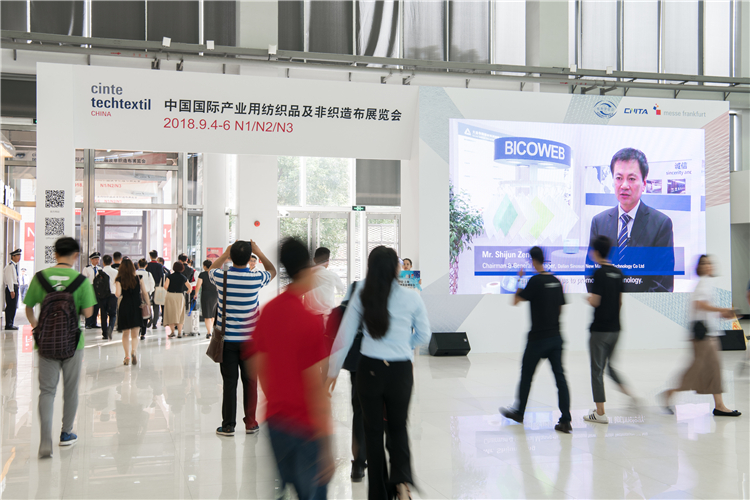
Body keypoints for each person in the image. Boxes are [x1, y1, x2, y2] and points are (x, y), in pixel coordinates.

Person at [327, 246, 431, 500]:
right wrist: (404, 345)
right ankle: (401, 482)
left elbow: (345, 336)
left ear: (370, 268)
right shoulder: (412, 297)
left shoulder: (361, 294)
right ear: (397, 269)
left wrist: (331, 371)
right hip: (400, 370)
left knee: (372, 432)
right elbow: (424, 335)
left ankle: (378, 494)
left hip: (370, 369)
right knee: (398, 427)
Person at [250, 238, 334, 500]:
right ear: (307, 269)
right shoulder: (309, 322)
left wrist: (278, 397)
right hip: (305, 427)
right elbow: (315, 388)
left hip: (276, 423)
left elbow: (257, 366)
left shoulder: (268, 312)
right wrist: (327, 444)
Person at [24, 237, 97, 457]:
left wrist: (37, 326)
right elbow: (88, 313)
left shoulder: (40, 278)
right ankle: (66, 434)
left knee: (47, 391)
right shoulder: (81, 281)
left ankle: (45, 439)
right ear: (75, 255)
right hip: (73, 343)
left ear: (55, 254)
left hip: (46, 342)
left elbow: (28, 308)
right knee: (71, 390)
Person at [500, 246, 572, 434]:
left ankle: (519, 412)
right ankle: (566, 420)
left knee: (526, 376)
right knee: (560, 379)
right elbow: (560, 309)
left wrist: (519, 279)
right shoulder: (556, 281)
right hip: (556, 337)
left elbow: (515, 300)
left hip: (537, 339)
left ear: (533, 260)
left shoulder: (535, 281)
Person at [209, 240, 276, 436]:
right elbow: (272, 271)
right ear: (249, 258)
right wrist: (259, 252)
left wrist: (224, 255)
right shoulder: (256, 278)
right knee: (250, 382)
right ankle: (251, 423)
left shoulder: (221, 276)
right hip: (250, 341)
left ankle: (228, 425)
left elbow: (210, 269)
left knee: (229, 383)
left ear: (231, 257)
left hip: (227, 341)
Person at [661, 255, 741, 417]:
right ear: (699, 267)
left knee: (713, 370)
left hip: (708, 334)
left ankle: (719, 406)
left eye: (709, 263)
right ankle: (670, 393)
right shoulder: (702, 283)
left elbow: (705, 310)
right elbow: (699, 304)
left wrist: (723, 314)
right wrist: (721, 310)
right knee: (696, 371)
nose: (708, 265)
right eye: (704, 263)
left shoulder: (707, 283)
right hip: (702, 337)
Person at [588, 147, 675, 292]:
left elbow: (662, 283)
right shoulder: (598, 222)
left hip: (642, 305)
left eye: (632, 179)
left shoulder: (661, 224)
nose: (624, 186)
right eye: (619, 178)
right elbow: (591, 272)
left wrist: (633, 304)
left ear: (644, 183)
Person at [583, 236, 638, 424]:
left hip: (600, 330)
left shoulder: (598, 274)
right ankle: (630, 394)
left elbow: (595, 301)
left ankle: (600, 412)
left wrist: (588, 299)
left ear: (596, 252)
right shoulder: (618, 273)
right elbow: (620, 302)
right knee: (610, 366)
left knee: (597, 371)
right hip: (616, 329)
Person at [115, 259, 151, 366]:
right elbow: (145, 293)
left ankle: (126, 356)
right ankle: (134, 351)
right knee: (135, 334)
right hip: (137, 306)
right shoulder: (139, 278)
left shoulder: (119, 279)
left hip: (125, 306)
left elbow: (118, 294)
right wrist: (149, 305)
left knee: (125, 333)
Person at [303, 247, 347, 319]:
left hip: (309, 318)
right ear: (328, 261)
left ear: (314, 260)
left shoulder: (304, 277)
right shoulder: (333, 276)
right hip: (328, 317)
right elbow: (341, 290)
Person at [164, 262, 191, 338]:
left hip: (170, 295)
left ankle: (172, 332)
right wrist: (188, 291)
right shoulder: (183, 277)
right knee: (180, 314)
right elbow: (189, 287)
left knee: (170, 313)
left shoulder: (170, 276)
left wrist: (170, 289)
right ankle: (179, 333)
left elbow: (165, 286)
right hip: (179, 296)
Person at [194, 260, 218, 340]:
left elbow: (198, 285)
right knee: (213, 314)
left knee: (207, 314)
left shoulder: (202, 274)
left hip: (206, 295)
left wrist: (196, 294)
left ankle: (209, 332)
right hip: (215, 295)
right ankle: (211, 331)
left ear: (204, 266)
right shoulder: (215, 274)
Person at [98, 254, 119, 340]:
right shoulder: (115, 272)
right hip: (113, 295)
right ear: (111, 262)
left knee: (103, 314)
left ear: (103, 262)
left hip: (103, 296)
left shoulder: (100, 272)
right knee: (113, 314)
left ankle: (104, 334)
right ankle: (110, 327)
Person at [136, 259, 155, 340]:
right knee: (145, 313)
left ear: (138, 264)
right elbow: (152, 285)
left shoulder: (134, 273)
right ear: (146, 265)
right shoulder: (148, 274)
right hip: (145, 295)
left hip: (136, 295)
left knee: (137, 313)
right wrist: (149, 292)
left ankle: (137, 330)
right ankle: (143, 334)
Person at [82, 252, 102, 329]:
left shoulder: (99, 269)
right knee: (89, 306)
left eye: (98, 259)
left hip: (98, 289)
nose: (97, 261)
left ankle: (94, 323)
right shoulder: (87, 268)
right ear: (92, 260)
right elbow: (84, 280)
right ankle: (88, 323)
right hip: (89, 288)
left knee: (96, 306)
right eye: (96, 259)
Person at [145, 250, 164, 329]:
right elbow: (162, 276)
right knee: (156, 304)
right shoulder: (159, 266)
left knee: (148, 303)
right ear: (156, 256)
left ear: (150, 256)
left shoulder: (148, 265)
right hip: (157, 286)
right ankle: (154, 323)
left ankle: (149, 319)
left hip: (149, 286)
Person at [4, 248, 22, 330]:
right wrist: (11, 290)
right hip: (11, 288)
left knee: (13, 306)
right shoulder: (10, 266)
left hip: (14, 287)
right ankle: (8, 324)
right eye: (17, 255)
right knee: (10, 306)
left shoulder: (14, 266)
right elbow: (9, 279)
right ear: (13, 257)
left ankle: (11, 323)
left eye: (19, 255)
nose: (19, 257)